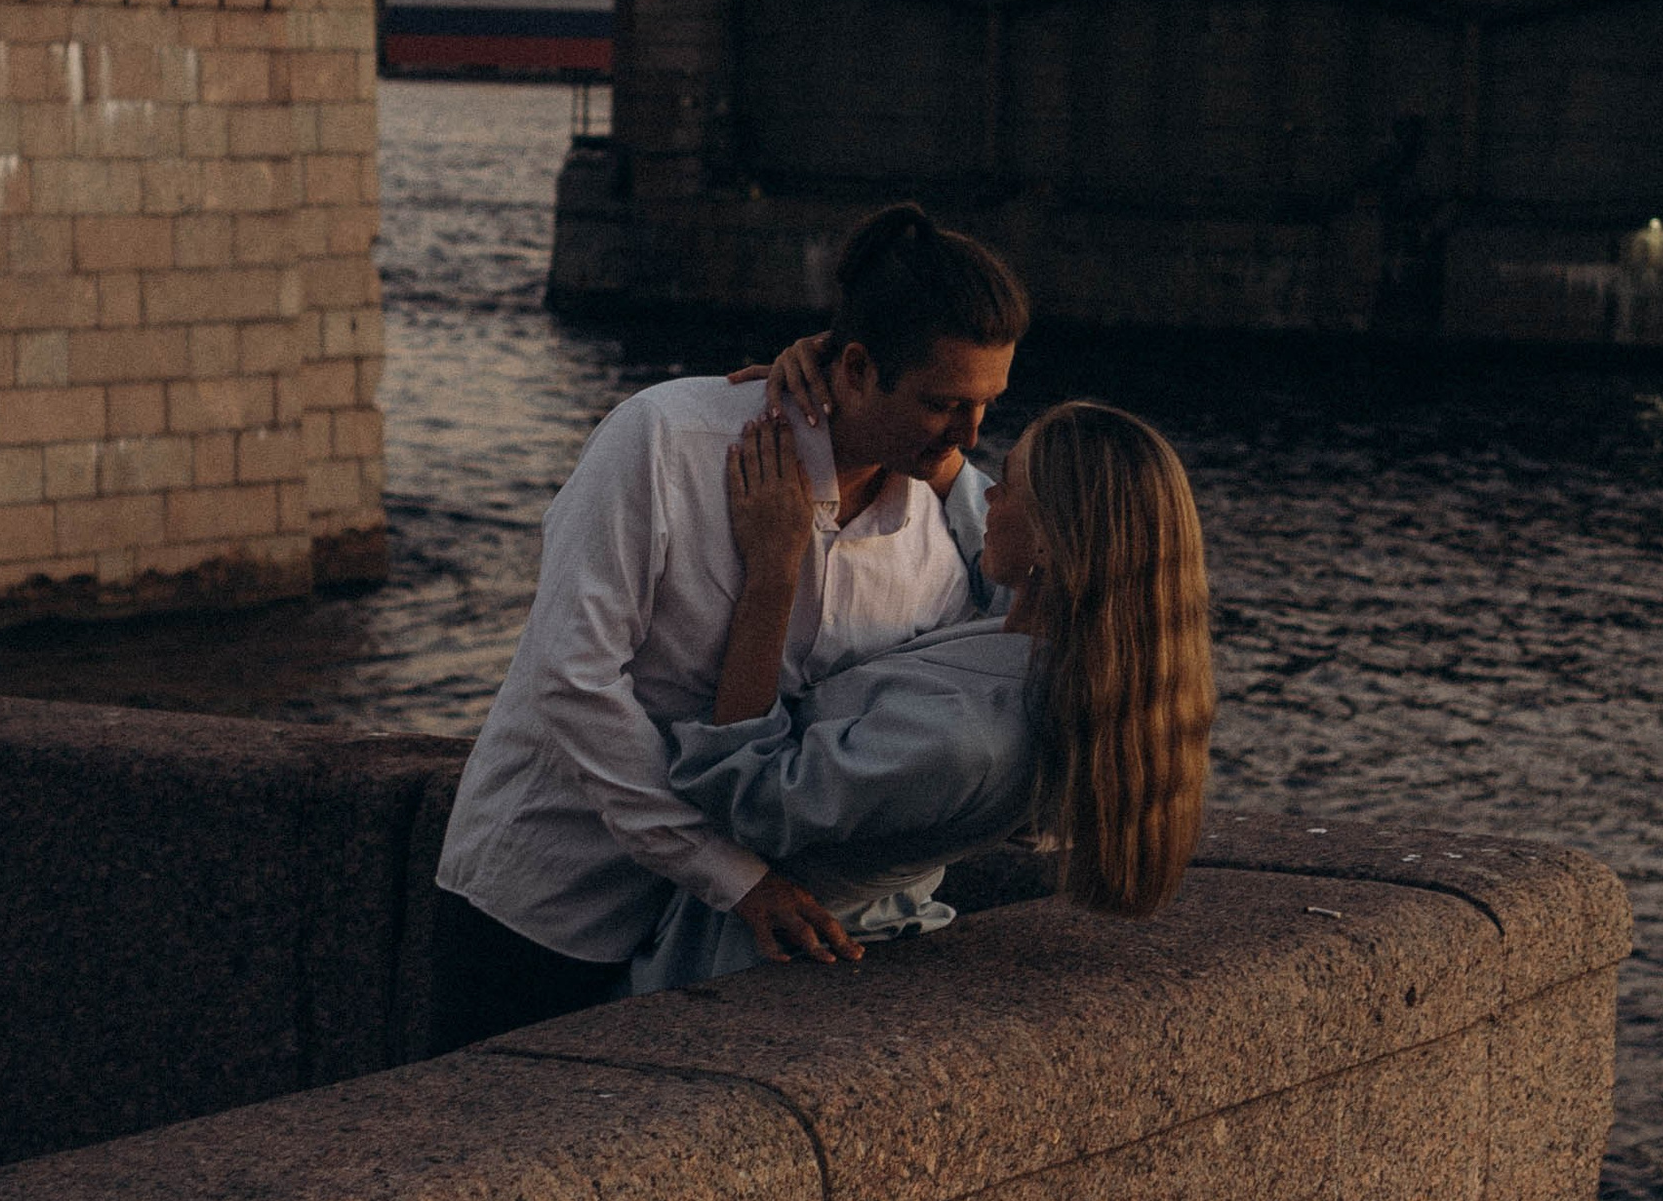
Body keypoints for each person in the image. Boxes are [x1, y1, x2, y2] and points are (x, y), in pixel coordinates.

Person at [431, 202, 1030, 1044]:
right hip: (553, 898)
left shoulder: (944, 526)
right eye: (943, 405)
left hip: (715, 949)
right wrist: (734, 877)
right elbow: (571, 681)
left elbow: (1023, 627)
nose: (970, 436)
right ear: (856, 368)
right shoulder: (668, 442)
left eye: (987, 404)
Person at [628, 397, 1214, 991]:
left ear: (1048, 546)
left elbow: (747, 795)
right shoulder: (1072, 662)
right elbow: (979, 534)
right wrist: (859, 398)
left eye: (1007, 485)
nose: (985, 494)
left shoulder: (967, 739)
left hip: (762, 966)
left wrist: (775, 566)